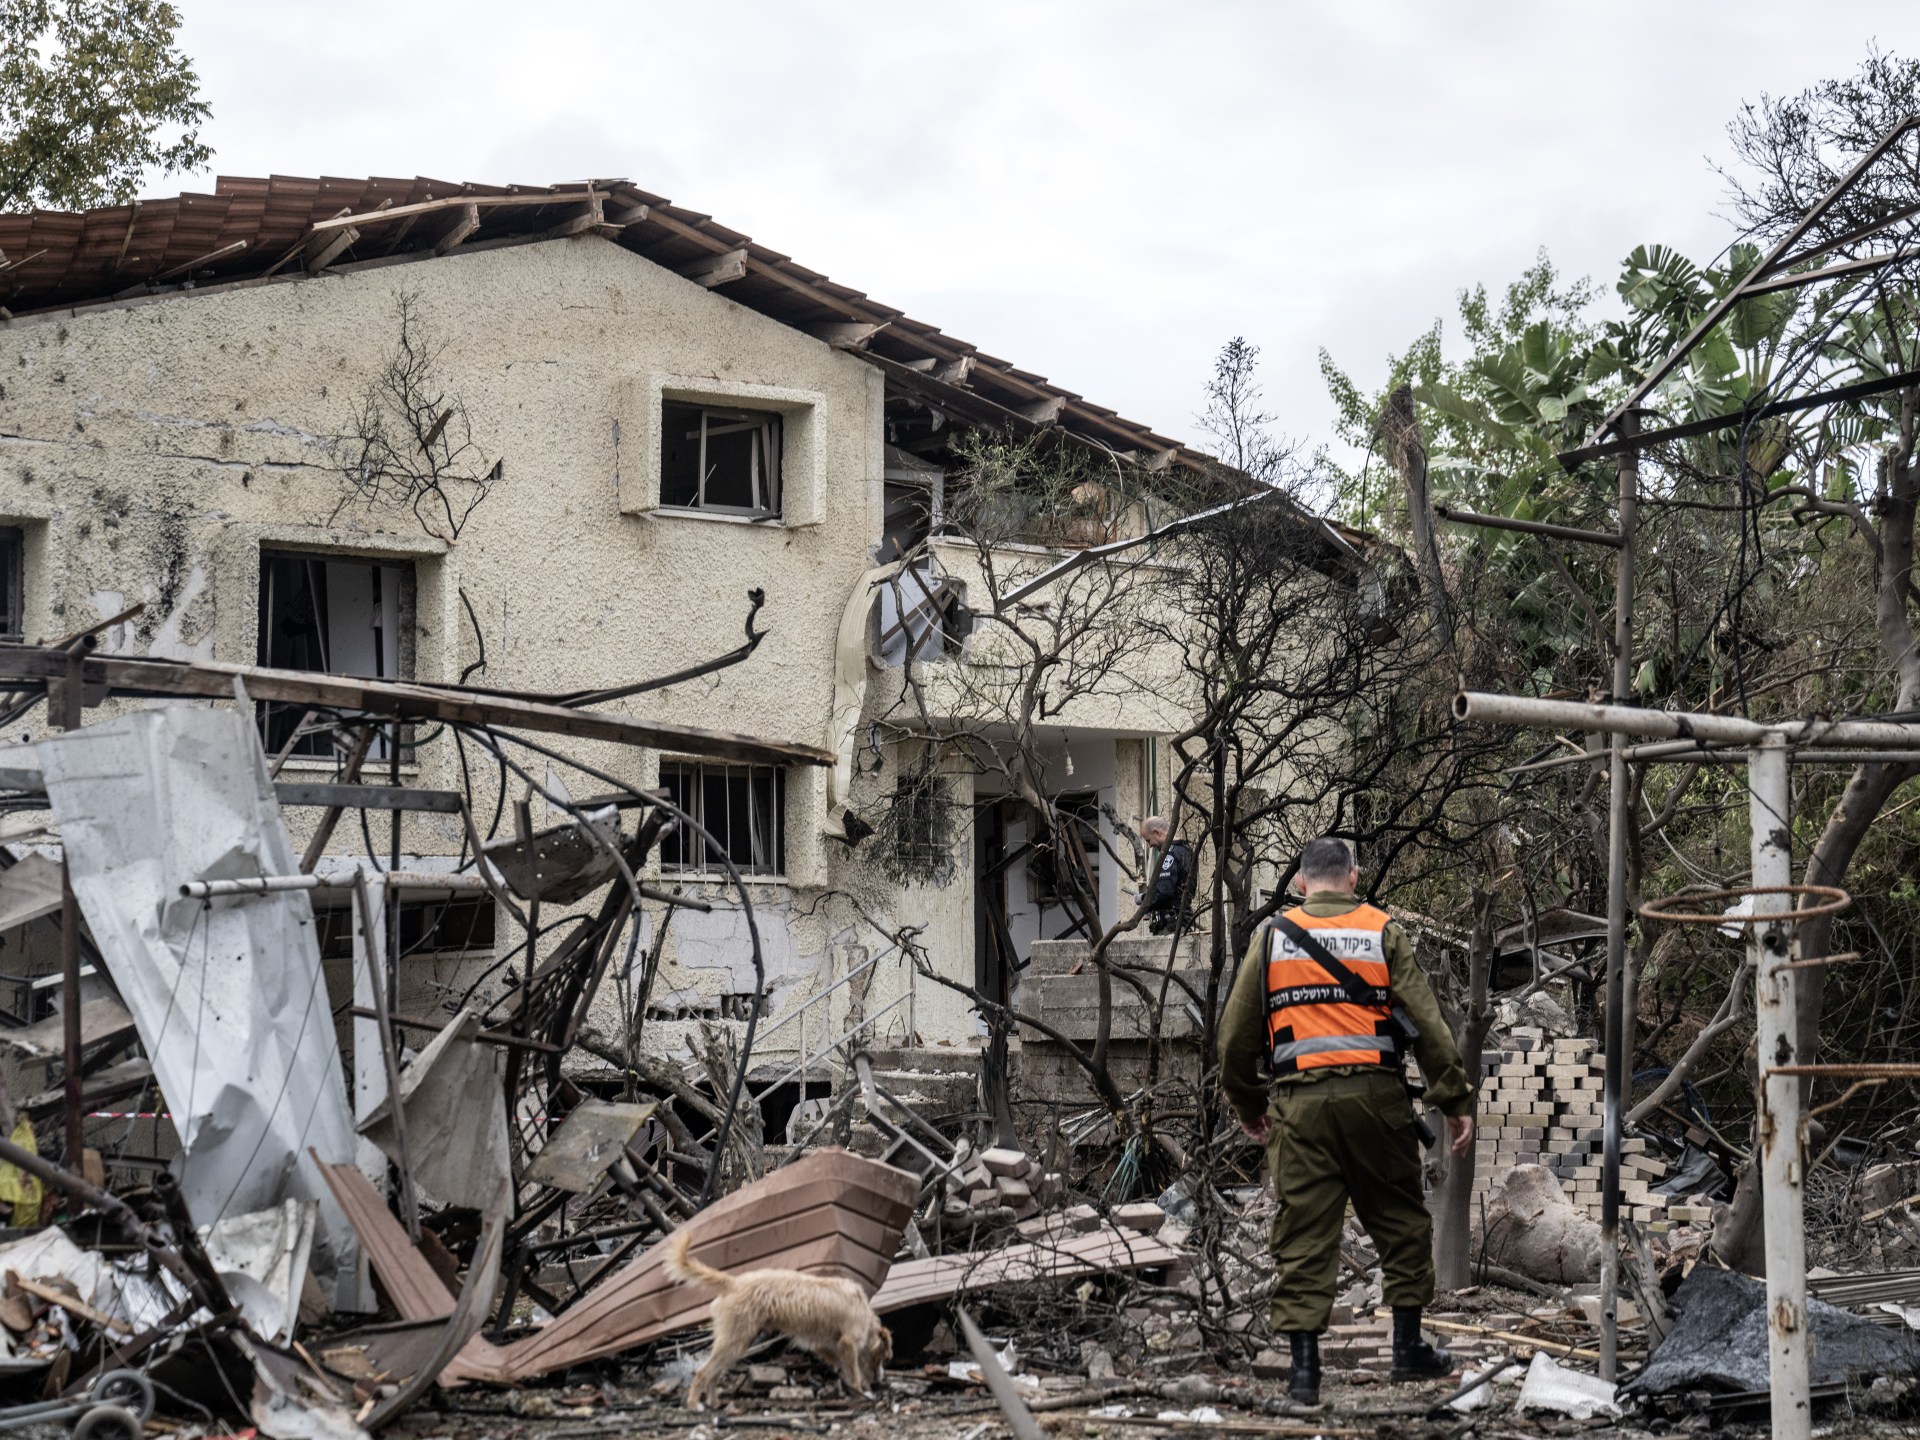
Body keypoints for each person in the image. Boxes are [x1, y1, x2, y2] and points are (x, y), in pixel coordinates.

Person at [1216, 836, 1477, 1406]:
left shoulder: (1270, 937)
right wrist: (1454, 1099)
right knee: (1402, 1220)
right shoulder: (1381, 930)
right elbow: (1430, 1026)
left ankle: (1304, 1375)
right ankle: (1408, 1351)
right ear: (1354, 878)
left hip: (1299, 1106)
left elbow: (1233, 1039)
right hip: (1377, 1100)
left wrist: (1249, 1106)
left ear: (1302, 884)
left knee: (1305, 1231)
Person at [1137, 816, 1195, 935]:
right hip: (1183, 921)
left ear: (1156, 833)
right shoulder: (1185, 850)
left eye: (1148, 840)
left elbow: (1164, 893)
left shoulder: (1170, 855)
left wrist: (1143, 899)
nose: (1150, 846)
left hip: (1171, 926)